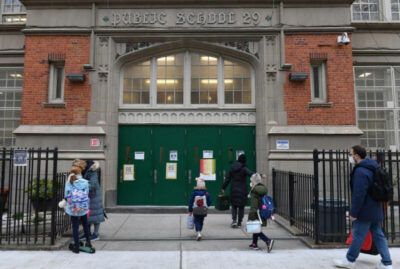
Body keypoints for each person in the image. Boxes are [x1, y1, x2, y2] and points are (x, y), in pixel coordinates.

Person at [334, 145, 392, 269]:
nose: (350, 157)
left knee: (358, 236)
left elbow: (359, 194)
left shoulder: (360, 171)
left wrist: (354, 213)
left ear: (356, 156)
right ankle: (387, 263)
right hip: (375, 208)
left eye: (351, 154)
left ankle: (350, 260)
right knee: (379, 236)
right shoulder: (373, 167)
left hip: (365, 210)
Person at [64, 165, 93, 254]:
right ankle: (88, 243)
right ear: (80, 173)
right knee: (85, 225)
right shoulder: (85, 182)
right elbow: (87, 193)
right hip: (83, 208)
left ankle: (76, 247)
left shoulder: (70, 182)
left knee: (75, 228)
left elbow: (66, 195)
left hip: (73, 209)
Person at [221, 154, 253, 228]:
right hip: (242, 190)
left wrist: (223, 188)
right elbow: (251, 174)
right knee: (241, 206)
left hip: (234, 189)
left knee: (234, 206)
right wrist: (260, 175)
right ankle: (239, 222)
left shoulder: (232, 167)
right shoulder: (244, 168)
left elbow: (227, 179)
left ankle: (234, 220)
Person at [247, 173, 274, 252]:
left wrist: (250, 216)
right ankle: (254, 243)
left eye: (251, 181)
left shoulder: (254, 191)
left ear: (254, 182)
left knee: (255, 228)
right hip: (262, 211)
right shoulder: (262, 188)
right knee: (256, 227)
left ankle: (268, 241)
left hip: (256, 212)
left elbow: (254, 205)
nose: (251, 183)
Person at [81, 160, 105, 241]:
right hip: (89, 197)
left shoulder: (93, 172)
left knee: (96, 216)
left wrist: (82, 185)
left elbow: (93, 185)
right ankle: (87, 233)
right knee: (88, 216)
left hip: (94, 197)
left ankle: (96, 234)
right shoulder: (87, 172)